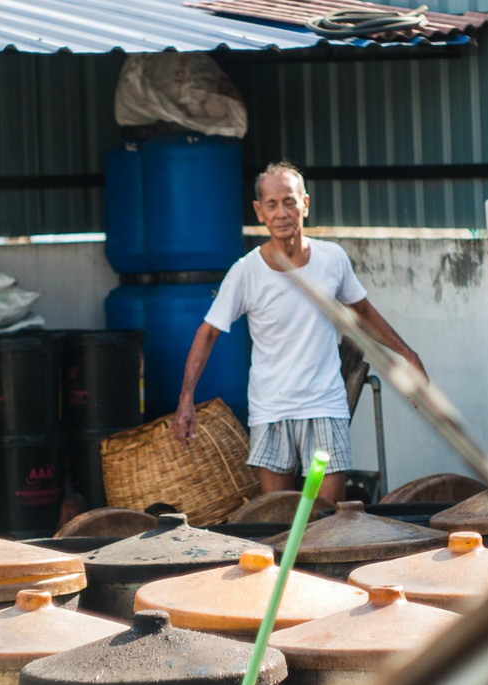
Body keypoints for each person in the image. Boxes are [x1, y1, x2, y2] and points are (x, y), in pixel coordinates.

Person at [172, 161, 426, 503]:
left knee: (330, 519)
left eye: (289, 202)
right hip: (270, 410)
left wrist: (408, 355)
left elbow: (363, 312)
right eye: (272, 204)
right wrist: (186, 398)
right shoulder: (246, 271)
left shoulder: (332, 259)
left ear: (305, 204)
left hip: (324, 407)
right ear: (259, 212)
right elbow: (207, 333)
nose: (281, 213)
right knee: (278, 520)